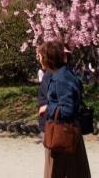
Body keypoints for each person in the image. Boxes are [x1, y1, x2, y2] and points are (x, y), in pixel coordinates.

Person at [38, 41, 91, 178]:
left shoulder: (62, 79)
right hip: (66, 132)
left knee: (63, 171)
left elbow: (68, 109)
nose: (39, 59)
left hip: (63, 134)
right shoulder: (62, 74)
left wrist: (48, 108)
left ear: (48, 59)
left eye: (41, 56)